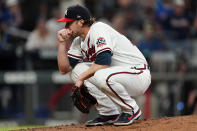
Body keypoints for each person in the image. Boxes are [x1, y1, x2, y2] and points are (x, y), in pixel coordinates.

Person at [56, 5, 151, 126]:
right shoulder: (78, 42)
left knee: (99, 74)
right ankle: (109, 112)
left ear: (80, 22)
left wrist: (81, 79)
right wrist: (62, 44)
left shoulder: (98, 29)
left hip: (138, 73)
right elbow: (64, 69)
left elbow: (103, 62)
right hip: (117, 74)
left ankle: (131, 110)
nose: (66, 27)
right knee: (77, 71)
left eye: (69, 23)